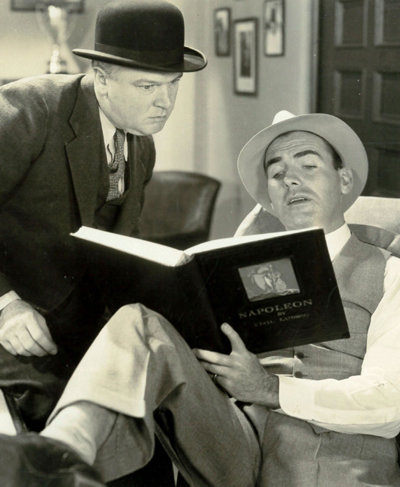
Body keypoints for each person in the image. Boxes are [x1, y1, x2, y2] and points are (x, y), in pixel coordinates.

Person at [2, 110, 400, 487]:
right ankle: (57, 454)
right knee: (139, 321)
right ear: (270, 199)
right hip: (236, 445)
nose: (290, 180)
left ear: (344, 180)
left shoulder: (389, 271)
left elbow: (390, 403)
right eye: (277, 174)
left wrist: (269, 389)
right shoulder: (237, 264)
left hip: (334, 462)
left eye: (308, 166)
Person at [0, 0, 206, 431]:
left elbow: (118, 248)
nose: (165, 102)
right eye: (148, 86)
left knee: (159, 407)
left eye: (173, 84)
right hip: (16, 319)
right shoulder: (31, 110)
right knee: (65, 420)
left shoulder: (141, 145)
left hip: (83, 325)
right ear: (102, 78)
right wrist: (6, 306)